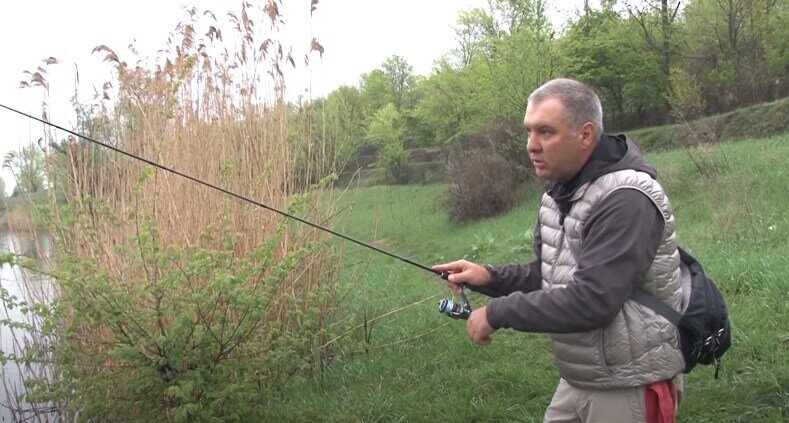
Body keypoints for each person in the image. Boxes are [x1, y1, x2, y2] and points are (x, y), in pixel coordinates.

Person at [433, 78, 684, 423]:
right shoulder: (558, 195)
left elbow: (593, 299)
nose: (531, 145)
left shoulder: (627, 198)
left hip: (630, 385)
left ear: (585, 135)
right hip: (581, 377)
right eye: (529, 131)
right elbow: (550, 275)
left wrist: (497, 312)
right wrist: (487, 276)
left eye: (545, 132)